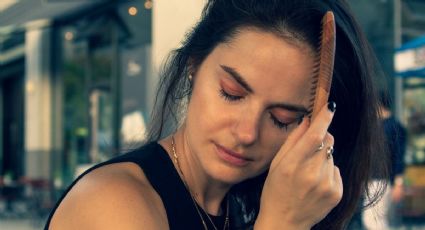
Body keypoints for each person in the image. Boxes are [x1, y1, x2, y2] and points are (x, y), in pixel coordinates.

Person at [45, 0, 389, 229]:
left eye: (282, 118)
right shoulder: (114, 204)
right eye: (232, 93)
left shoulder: (236, 206)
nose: (247, 133)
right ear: (195, 65)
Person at [362, 91, 407, 229]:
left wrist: (398, 183)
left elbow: (399, 156)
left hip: (383, 181)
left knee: (373, 220)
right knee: (375, 220)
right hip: (373, 180)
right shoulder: (375, 125)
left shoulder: (394, 127)